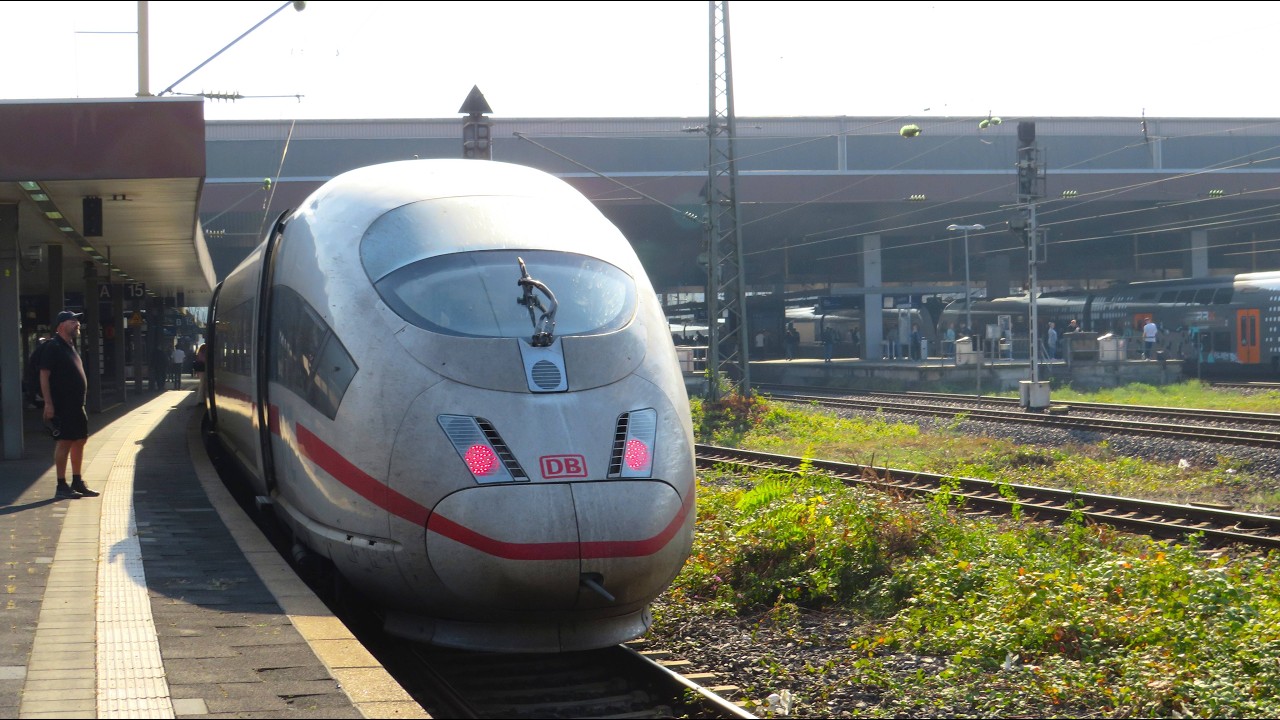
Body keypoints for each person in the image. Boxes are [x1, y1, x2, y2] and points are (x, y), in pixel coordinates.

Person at [36, 310, 99, 500]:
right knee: (64, 441)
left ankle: (77, 481)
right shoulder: (53, 347)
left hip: (77, 404)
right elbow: (44, 375)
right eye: (73, 321)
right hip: (62, 404)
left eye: (77, 321)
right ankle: (61, 485)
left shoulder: (69, 346)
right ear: (62, 325)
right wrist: (48, 403)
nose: (77, 324)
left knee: (80, 439)